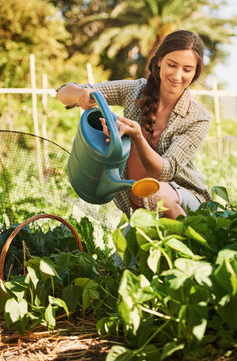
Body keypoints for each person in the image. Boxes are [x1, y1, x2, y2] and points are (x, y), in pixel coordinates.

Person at [56, 30, 211, 220]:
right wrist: (82, 93)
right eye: (172, 64)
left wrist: (137, 136)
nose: (178, 75)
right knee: (123, 250)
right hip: (141, 211)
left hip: (184, 200)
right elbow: (62, 93)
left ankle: (193, 243)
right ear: (160, 60)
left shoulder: (198, 118)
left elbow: (165, 171)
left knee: (155, 195)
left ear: (196, 72)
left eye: (187, 69)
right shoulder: (135, 90)